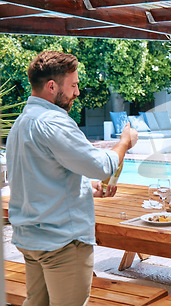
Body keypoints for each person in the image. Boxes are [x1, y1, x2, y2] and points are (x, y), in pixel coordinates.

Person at [6, 50, 138, 306]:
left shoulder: (21, 124)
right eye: (74, 85)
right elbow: (103, 166)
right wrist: (124, 144)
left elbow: (34, 179)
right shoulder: (53, 122)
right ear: (52, 86)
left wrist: (84, 187)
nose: (77, 92)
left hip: (32, 241)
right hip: (62, 244)